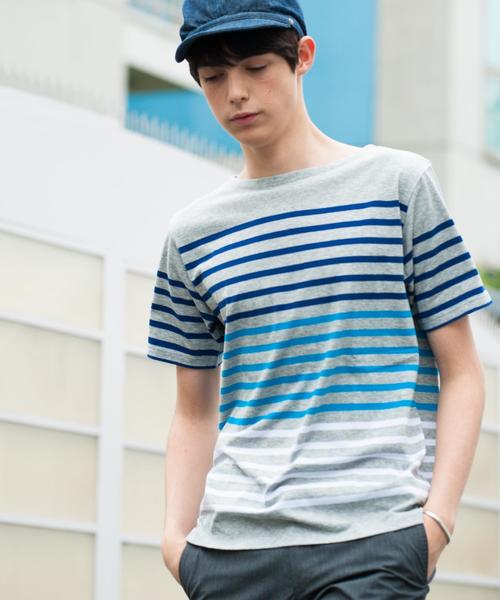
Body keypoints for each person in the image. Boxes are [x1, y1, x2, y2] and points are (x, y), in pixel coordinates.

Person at [146, 1, 494, 598]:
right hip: (231, 553)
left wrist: (435, 523)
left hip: (374, 540)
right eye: (214, 78)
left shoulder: (398, 185)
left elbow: (462, 371)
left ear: (302, 56)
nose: (235, 93)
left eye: (256, 68)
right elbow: (193, 410)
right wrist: (177, 544)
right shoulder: (192, 235)